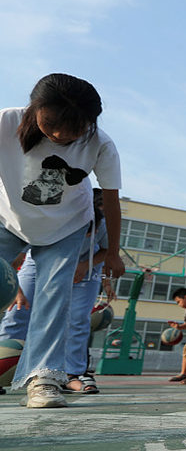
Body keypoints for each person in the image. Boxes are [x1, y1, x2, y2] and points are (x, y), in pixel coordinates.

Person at [0, 74, 124, 408]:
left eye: (74, 128)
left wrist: (113, 252)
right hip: (7, 219)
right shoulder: (6, 122)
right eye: (52, 124)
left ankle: (42, 379)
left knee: (53, 296)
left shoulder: (100, 144)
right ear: (34, 107)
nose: (59, 135)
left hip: (66, 227)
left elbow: (111, 201)